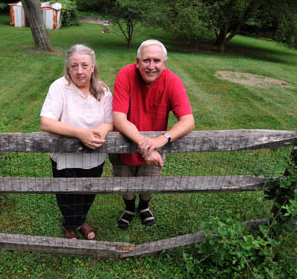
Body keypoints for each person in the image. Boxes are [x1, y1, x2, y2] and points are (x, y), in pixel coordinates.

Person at [112, 39, 195, 230]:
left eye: (156, 61)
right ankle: (129, 208)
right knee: (124, 181)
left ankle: (144, 206)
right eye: (146, 60)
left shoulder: (172, 81)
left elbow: (188, 121)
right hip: (124, 143)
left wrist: (160, 140)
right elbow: (119, 118)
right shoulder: (125, 74)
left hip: (155, 146)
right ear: (137, 61)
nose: (151, 66)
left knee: (150, 182)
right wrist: (143, 142)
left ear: (164, 63)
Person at [40, 44, 113, 239]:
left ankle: (78, 221)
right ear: (68, 68)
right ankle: (70, 226)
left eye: (84, 65)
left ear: (93, 67)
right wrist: (81, 134)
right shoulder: (59, 87)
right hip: (66, 157)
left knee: (87, 193)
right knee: (67, 195)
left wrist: (104, 128)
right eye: (74, 66)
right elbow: (46, 122)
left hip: (94, 156)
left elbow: (110, 121)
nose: (79, 71)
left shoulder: (104, 91)